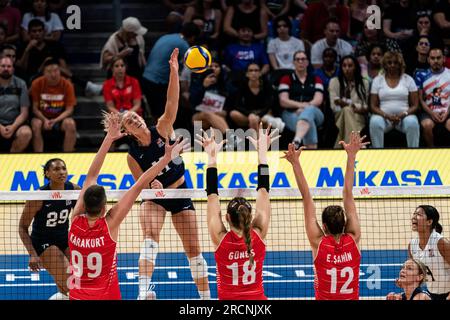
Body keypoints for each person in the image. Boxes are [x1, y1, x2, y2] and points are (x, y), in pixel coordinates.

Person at [122, 48, 211, 300]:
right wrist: (158, 174)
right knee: (150, 237)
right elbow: (144, 184)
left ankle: (206, 299)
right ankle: (142, 293)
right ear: (127, 131)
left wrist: (174, 72)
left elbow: (171, 103)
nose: (136, 120)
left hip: (181, 190)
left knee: (193, 248)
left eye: (135, 117)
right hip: (156, 197)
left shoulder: (162, 127)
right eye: (130, 121)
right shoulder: (132, 156)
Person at [68, 112, 186, 300]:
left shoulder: (74, 222)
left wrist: (109, 138)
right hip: (107, 296)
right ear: (105, 207)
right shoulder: (109, 224)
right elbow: (140, 184)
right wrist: (165, 159)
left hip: (77, 296)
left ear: (81, 205)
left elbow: (90, 177)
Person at [196, 123, 278, 299]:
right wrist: (262, 154)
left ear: (226, 217)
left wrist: (212, 157)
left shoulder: (220, 238)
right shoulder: (259, 234)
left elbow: (212, 195)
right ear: (250, 217)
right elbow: (263, 190)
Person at [284, 131, 369, 300]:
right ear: (345, 224)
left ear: (323, 226)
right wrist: (351, 155)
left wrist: (295, 163)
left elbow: (307, 197)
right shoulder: (354, 237)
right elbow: (348, 193)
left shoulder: (318, 242)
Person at [18, 158, 80, 300]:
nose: (61, 172)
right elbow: (22, 227)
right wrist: (33, 254)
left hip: (64, 239)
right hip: (43, 243)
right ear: (47, 174)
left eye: (64, 168)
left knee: (76, 280)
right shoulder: (39, 196)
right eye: (56, 169)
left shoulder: (74, 190)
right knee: (72, 284)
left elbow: (82, 214)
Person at [369, 51, 420, 148]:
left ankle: (414, 154)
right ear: (385, 64)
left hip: (404, 117)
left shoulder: (408, 79)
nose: (392, 65)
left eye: (395, 63)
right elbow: (373, 106)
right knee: (374, 122)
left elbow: (415, 105)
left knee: (412, 123)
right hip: (384, 118)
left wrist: (403, 114)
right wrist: (386, 115)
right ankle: (377, 155)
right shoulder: (377, 80)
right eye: (389, 62)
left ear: (400, 64)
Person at [278, 50, 324, 149]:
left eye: (303, 59)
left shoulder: (316, 78)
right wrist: (302, 106)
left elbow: (318, 100)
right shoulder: (286, 79)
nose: (300, 62)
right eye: (297, 59)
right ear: (293, 62)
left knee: (310, 111)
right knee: (308, 121)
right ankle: (309, 150)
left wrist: (305, 109)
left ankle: (297, 139)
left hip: (315, 112)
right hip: (291, 113)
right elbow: (283, 101)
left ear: (307, 62)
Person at [30, 58, 77, 152]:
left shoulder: (67, 84)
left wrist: (55, 120)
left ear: (60, 71)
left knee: (70, 124)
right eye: (49, 71)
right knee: (36, 124)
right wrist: (45, 120)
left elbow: (69, 109)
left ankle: (68, 157)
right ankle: (38, 156)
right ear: (44, 72)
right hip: (42, 118)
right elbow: (35, 108)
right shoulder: (36, 83)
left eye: (56, 70)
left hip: (60, 118)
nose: (53, 74)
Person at [408, 205, 450, 300]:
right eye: (414, 214)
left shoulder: (441, 242)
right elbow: (416, 275)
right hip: (431, 294)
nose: (414, 217)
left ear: (429, 222)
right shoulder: (412, 245)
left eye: (418, 214)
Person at [328, 55, 369, 148]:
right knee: (346, 111)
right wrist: (354, 106)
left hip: (359, 117)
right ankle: (356, 144)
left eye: (350, 66)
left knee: (346, 110)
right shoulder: (334, 82)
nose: (347, 68)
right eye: (344, 66)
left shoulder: (364, 83)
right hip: (338, 116)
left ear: (355, 67)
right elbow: (333, 107)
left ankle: (340, 147)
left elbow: (366, 106)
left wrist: (346, 103)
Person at [0, 56, 32, 152]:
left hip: (16, 123)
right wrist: (0, 127)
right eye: (3, 66)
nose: (6, 69)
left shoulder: (21, 84)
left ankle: (10, 160)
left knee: (26, 133)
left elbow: (24, 112)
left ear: (13, 69)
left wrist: (13, 127)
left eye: (9, 66)